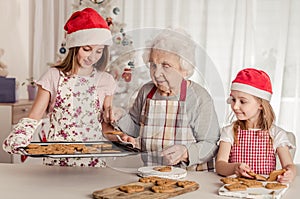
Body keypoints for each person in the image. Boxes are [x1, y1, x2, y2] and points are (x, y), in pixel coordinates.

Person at [3, 8, 116, 167]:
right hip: (57, 160)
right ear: (74, 46)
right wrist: (19, 137)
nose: (93, 57)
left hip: (93, 160)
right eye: (87, 49)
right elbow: (34, 116)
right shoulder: (53, 76)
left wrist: (120, 137)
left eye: (99, 51)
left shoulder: (106, 80)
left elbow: (106, 125)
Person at [103, 28, 220, 171]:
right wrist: (121, 115)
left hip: (191, 176)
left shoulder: (199, 97)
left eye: (166, 66)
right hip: (152, 172)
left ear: (184, 69)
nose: (157, 73)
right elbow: (135, 129)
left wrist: (186, 153)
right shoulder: (146, 91)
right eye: (153, 65)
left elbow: (211, 144)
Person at [215, 68, 296, 182]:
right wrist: (234, 168)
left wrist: (290, 173)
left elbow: (289, 165)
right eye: (233, 99)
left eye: (242, 101)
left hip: (265, 190)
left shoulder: (276, 134)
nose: (235, 106)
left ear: (261, 105)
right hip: (237, 187)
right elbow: (220, 165)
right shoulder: (229, 131)